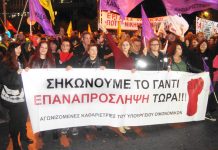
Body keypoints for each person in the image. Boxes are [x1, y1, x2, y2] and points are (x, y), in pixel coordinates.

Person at [99, 24, 133, 134]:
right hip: (119, 84)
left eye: (127, 45)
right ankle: (119, 124)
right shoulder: (118, 53)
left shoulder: (131, 57)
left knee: (126, 104)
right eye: (123, 45)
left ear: (129, 47)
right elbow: (112, 43)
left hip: (128, 84)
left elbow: (132, 68)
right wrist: (106, 31)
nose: (125, 47)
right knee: (119, 104)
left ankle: (124, 121)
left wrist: (134, 70)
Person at [0, 42, 33, 150]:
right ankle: (15, 142)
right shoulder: (5, 63)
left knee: (23, 117)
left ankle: (23, 136)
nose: (19, 50)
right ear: (11, 50)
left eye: (19, 48)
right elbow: (4, 79)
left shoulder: (21, 60)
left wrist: (27, 71)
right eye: (16, 48)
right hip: (12, 98)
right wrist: (16, 73)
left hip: (23, 95)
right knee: (15, 120)